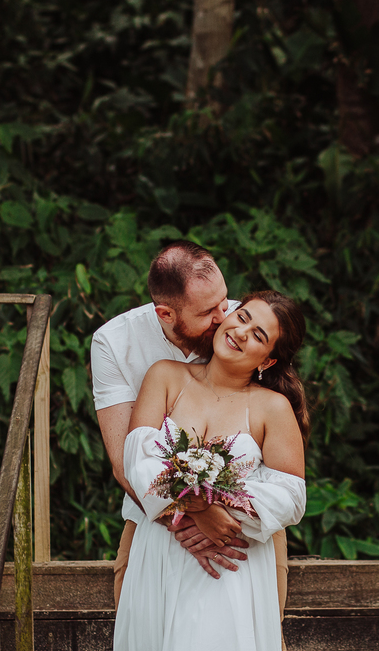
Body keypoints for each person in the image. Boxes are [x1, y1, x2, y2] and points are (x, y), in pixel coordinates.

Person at [91, 242, 291, 617]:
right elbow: (124, 463)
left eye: (225, 301)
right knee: (140, 623)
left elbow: (277, 428)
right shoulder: (114, 343)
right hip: (151, 515)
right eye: (208, 312)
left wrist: (225, 516)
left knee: (262, 630)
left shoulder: (240, 328)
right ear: (166, 314)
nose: (224, 316)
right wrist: (191, 517)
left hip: (242, 528)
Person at [113, 290, 309, 651]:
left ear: (267, 360)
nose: (241, 332)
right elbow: (138, 460)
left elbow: (290, 497)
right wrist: (197, 510)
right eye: (243, 317)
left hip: (228, 560)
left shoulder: (273, 408)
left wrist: (222, 509)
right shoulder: (166, 376)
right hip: (160, 551)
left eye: (259, 335)